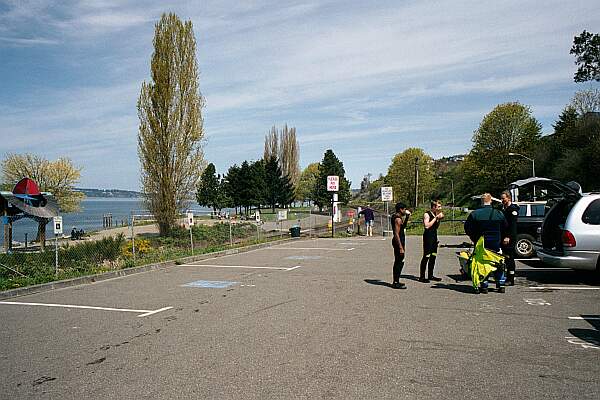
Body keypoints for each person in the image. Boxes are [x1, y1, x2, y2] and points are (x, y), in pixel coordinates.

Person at [464, 193, 508, 293]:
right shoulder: (499, 213)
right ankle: (501, 284)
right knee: (498, 262)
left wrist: (474, 238)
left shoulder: (475, 214)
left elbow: (467, 228)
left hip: (481, 243)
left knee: (482, 263)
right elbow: (505, 227)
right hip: (496, 242)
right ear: (491, 201)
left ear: (481, 201)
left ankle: (484, 285)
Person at [419, 200, 444, 283]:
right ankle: (422, 276)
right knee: (426, 256)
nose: (440, 208)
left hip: (434, 236)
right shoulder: (427, 214)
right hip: (428, 237)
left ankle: (430, 275)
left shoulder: (436, 214)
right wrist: (436, 218)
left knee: (433, 256)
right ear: (434, 207)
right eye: (438, 206)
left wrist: (439, 219)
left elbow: (435, 227)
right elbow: (427, 226)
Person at [391, 202, 411, 289]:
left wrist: (407, 217)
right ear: (400, 209)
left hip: (400, 240)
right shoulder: (397, 219)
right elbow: (396, 233)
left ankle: (397, 280)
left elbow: (403, 227)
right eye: (404, 209)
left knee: (400, 261)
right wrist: (400, 247)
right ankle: (395, 282)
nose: (405, 211)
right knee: (399, 262)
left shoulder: (397, 217)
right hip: (398, 241)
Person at [501, 191, 519, 286]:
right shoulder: (504, 209)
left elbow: (512, 226)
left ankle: (511, 278)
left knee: (510, 257)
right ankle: (506, 276)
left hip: (510, 237)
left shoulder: (512, 210)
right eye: (501, 198)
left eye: (504, 198)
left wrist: (508, 236)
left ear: (509, 198)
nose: (502, 200)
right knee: (505, 258)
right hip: (503, 236)